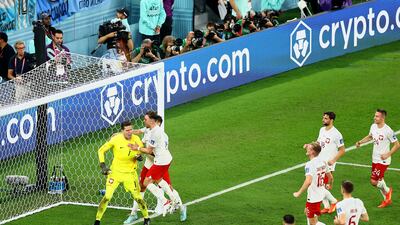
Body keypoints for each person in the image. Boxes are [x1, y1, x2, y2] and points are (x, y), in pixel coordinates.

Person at [130, 112, 187, 222]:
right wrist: (126, 132)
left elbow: (151, 152)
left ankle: (179, 206)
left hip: (159, 161)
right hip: (151, 161)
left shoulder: (159, 134)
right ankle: (133, 213)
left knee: (160, 184)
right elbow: (138, 131)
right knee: (142, 183)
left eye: (145, 119)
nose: (144, 121)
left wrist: (137, 149)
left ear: (155, 122)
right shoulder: (148, 130)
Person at [93, 121, 150, 225]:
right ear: (122, 131)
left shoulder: (136, 140)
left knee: (137, 197)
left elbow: (140, 152)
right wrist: (103, 166)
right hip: (115, 173)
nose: (130, 132)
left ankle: (146, 218)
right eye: (127, 130)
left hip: (130, 174)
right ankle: (97, 220)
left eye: (131, 130)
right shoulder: (116, 139)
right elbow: (101, 150)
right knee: (107, 197)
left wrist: (139, 157)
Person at [356, 109, 399, 208]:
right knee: (379, 179)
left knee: (374, 181)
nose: (374, 118)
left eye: (377, 116)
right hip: (375, 158)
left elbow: (397, 145)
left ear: (383, 118)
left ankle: (388, 191)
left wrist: (388, 154)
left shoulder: (388, 130)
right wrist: (360, 142)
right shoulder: (373, 126)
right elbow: (370, 137)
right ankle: (386, 200)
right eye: (375, 116)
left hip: (383, 160)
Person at [294, 142, 331, 225]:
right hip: (320, 194)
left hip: (313, 197)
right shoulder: (323, 161)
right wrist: (329, 184)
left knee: (312, 222)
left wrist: (298, 193)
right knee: (309, 214)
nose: (307, 149)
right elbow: (330, 177)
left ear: (313, 152)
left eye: (309, 148)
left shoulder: (309, 165)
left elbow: (308, 181)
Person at [315, 112, 345, 214]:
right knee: (320, 185)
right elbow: (318, 143)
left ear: (331, 120)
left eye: (326, 118)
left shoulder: (336, 134)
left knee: (320, 186)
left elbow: (342, 150)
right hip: (319, 162)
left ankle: (334, 202)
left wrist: (333, 160)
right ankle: (327, 206)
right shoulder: (322, 130)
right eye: (323, 118)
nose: (323, 120)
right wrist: (310, 145)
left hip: (328, 164)